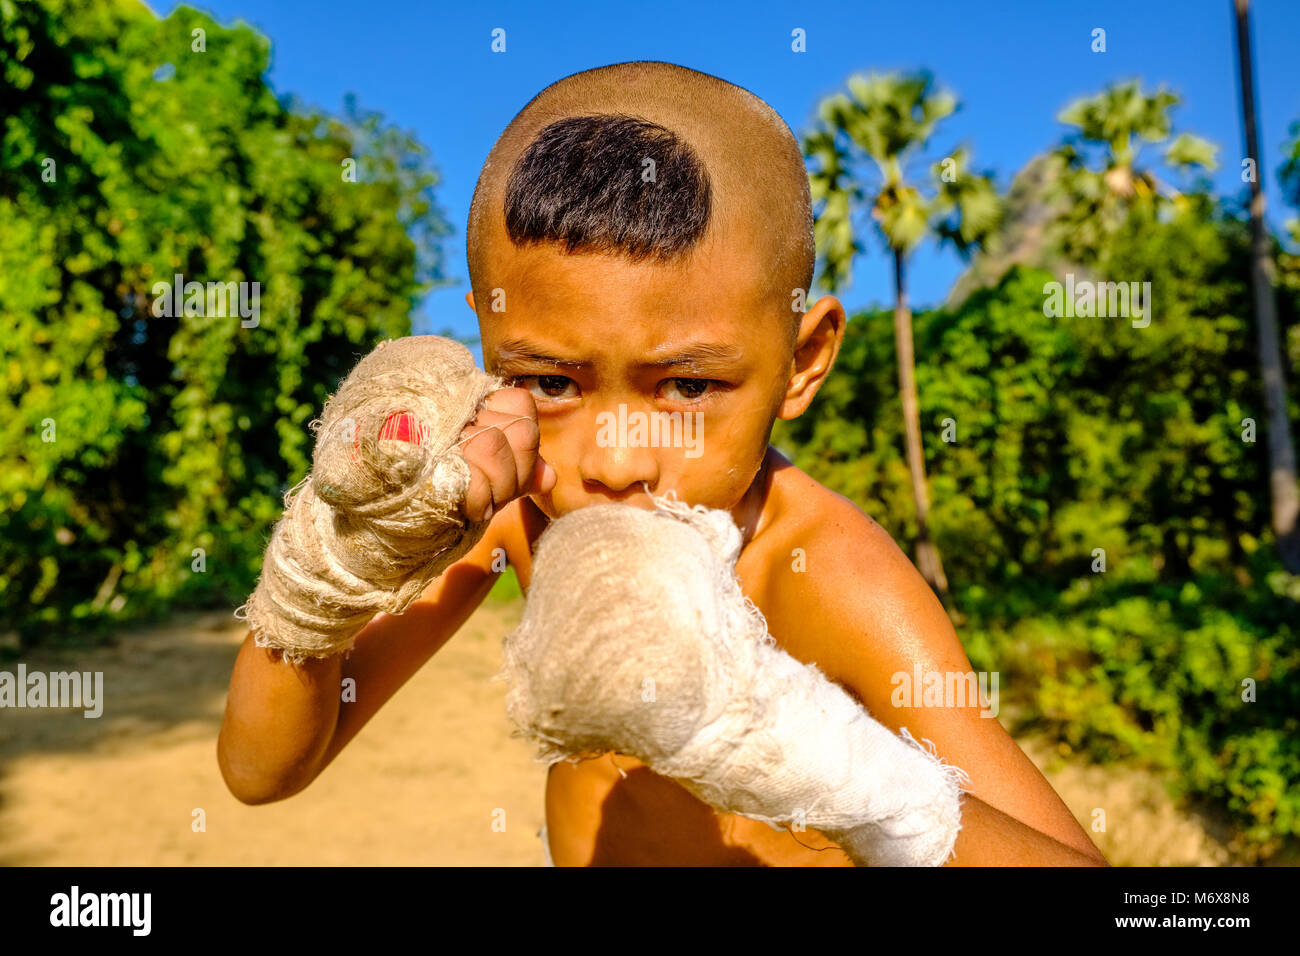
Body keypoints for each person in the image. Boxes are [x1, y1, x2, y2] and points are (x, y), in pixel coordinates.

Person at [217, 60, 1108, 867]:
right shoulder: (518, 511)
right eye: (548, 380)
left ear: (803, 362)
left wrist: (809, 752)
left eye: (687, 386)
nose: (612, 462)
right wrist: (328, 562)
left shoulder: (829, 576)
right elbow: (260, 771)